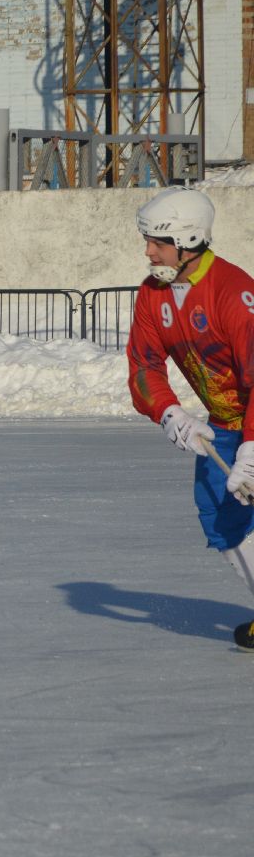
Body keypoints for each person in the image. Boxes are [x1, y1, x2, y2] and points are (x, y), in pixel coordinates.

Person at [126, 186, 254, 647]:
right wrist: (170, 413)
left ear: (188, 242)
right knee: (221, 518)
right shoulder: (152, 293)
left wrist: (252, 446)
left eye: (156, 242)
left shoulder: (234, 292)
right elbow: (143, 365)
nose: (147, 251)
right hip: (222, 422)